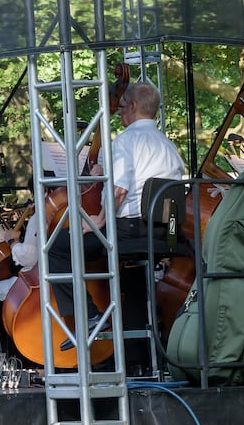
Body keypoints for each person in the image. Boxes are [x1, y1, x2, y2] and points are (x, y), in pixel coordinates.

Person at [47, 81, 185, 334]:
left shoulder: (124, 142)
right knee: (131, 272)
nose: (118, 111)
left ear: (133, 106)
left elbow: (120, 191)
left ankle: (88, 318)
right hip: (166, 233)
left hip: (130, 229)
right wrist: (104, 173)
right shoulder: (168, 146)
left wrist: (100, 220)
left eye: (121, 106)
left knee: (56, 247)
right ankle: (139, 351)